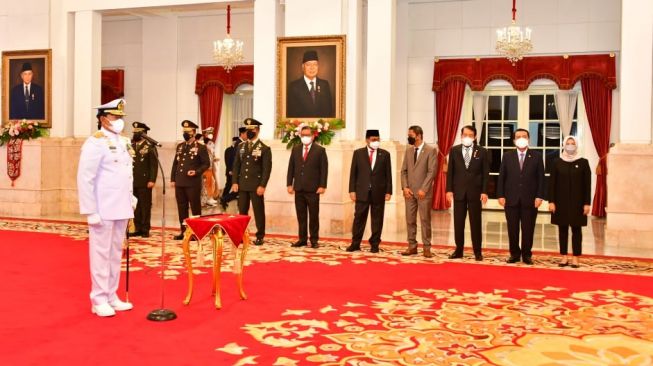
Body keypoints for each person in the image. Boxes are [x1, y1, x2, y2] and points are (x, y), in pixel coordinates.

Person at [77, 98, 134, 317]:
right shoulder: (95, 142)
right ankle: (98, 298)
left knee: (114, 253)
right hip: (102, 208)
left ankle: (112, 295)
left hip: (121, 206)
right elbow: (85, 178)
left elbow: (124, 174)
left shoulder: (124, 142)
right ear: (103, 119)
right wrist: (90, 210)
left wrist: (131, 197)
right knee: (101, 254)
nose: (119, 121)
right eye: (115, 117)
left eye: (121, 117)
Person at [497, 128, 545, 265]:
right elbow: (502, 177)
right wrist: (500, 195)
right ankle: (514, 254)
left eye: (524, 136)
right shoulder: (507, 156)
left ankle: (527, 254)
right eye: (518, 136)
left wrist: (539, 196)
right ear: (514, 140)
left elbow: (541, 178)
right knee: (512, 228)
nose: (521, 138)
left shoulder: (536, 156)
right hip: (511, 198)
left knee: (528, 228)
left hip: (530, 199)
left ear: (528, 139)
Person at [446, 125, 490, 261]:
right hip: (458, 192)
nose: (467, 137)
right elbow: (451, 172)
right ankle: (459, 249)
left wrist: (484, 191)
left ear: (475, 137)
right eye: (465, 135)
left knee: (475, 223)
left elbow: (485, 173)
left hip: (475, 193)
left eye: (470, 135)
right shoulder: (454, 150)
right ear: (461, 135)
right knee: (458, 223)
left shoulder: (482, 151)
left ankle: (477, 251)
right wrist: (449, 190)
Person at [346, 129, 393, 253]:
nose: (375, 142)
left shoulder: (385, 154)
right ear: (367, 140)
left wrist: (389, 191)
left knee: (377, 219)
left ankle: (375, 244)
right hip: (362, 192)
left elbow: (389, 175)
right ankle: (355, 243)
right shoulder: (358, 153)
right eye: (373, 140)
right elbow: (353, 174)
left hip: (379, 192)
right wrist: (352, 190)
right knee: (359, 218)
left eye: (377, 140)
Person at [548, 136, 591, 268]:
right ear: (563, 145)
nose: (570, 146)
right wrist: (551, 201)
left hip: (578, 203)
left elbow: (587, 185)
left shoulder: (583, 162)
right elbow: (552, 184)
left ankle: (575, 257)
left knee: (576, 230)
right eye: (568, 143)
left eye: (573, 143)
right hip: (560, 202)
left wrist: (587, 203)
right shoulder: (557, 162)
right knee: (562, 229)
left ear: (577, 145)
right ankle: (564, 256)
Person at [287, 126, 329, 249]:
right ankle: (302, 239)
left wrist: (322, 185)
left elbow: (324, 170)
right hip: (298, 188)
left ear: (312, 136)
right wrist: (289, 184)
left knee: (313, 216)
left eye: (307, 135)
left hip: (313, 189)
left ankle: (314, 239)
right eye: (303, 135)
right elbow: (291, 168)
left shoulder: (320, 150)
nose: (305, 137)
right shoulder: (295, 149)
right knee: (301, 216)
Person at [232, 118, 272, 246]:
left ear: (257, 131)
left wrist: (262, 185)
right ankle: (241, 234)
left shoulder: (264, 148)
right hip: (242, 184)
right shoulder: (241, 146)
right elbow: (236, 166)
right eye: (247, 129)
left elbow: (267, 169)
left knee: (258, 211)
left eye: (252, 129)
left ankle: (260, 235)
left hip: (256, 186)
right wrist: (234, 182)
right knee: (242, 212)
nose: (249, 131)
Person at [400, 125, 438, 258]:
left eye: (410, 135)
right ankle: (412, 246)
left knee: (425, 220)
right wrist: (405, 187)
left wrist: (424, 189)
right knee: (410, 220)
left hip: (423, 193)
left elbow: (432, 171)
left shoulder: (430, 150)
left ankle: (426, 248)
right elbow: (403, 171)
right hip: (409, 193)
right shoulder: (408, 151)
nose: (408, 137)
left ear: (419, 135)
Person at [171, 120, 211, 240]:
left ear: (193, 132)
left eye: (188, 132)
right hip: (180, 182)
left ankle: (197, 232)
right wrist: (173, 179)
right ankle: (184, 232)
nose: (185, 134)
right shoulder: (180, 146)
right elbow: (175, 164)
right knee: (181, 207)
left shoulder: (201, 147)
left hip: (192, 183)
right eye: (184, 131)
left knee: (195, 208)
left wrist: (197, 172)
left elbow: (206, 164)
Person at [129, 122, 158, 238]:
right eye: (134, 132)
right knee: (135, 206)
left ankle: (145, 229)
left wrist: (152, 179)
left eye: (138, 132)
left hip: (145, 181)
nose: (135, 134)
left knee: (145, 206)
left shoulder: (150, 146)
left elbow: (153, 165)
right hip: (132, 181)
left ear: (144, 133)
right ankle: (137, 227)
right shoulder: (130, 145)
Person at [286, 50, 334, 118]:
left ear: (318, 66)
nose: (312, 68)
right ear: (303, 67)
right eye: (308, 64)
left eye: (315, 64)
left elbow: (329, 112)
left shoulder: (325, 85)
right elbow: (291, 114)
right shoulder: (294, 87)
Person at [200, 127, 219, 207]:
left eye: (211, 133)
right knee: (205, 185)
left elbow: (210, 159)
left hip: (210, 170)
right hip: (205, 170)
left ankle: (209, 198)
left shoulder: (209, 149)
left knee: (211, 184)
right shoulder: (203, 146)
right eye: (208, 133)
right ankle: (206, 200)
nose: (210, 134)